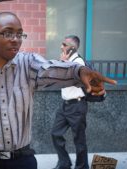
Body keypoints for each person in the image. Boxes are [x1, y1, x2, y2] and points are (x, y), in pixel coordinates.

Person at [0, 12, 116, 169]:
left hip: (23, 159)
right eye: (8, 33)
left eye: (20, 34)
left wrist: (80, 71)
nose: (15, 39)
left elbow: (50, 69)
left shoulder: (28, 64)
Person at [51, 35, 89, 169]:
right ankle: (64, 162)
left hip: (77, 106)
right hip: (65, 106)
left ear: (72, 48)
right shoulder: (67, 61)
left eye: (64, 44)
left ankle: (82, 166)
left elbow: (73, 78)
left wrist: (63, 63)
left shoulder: (79, 63)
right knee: (55, 133)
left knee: (79, 139)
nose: (61, 47)